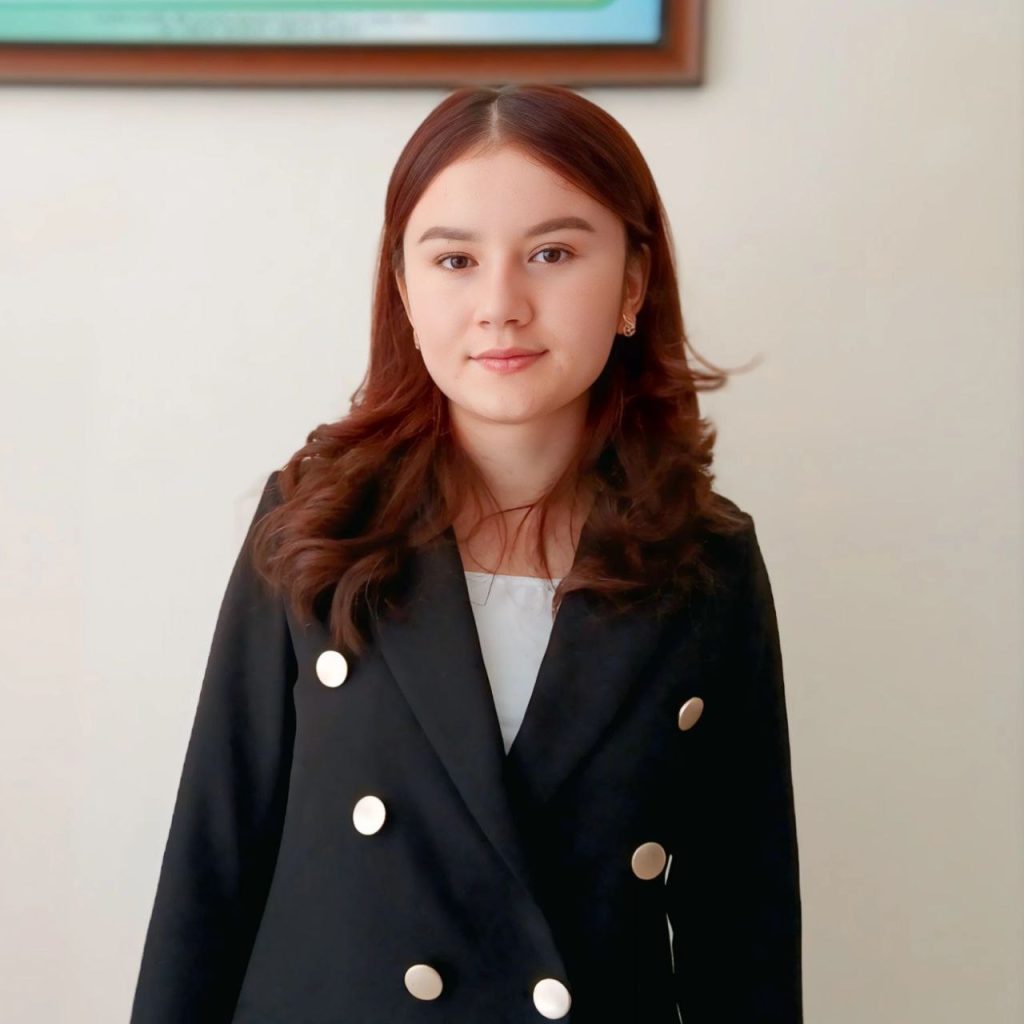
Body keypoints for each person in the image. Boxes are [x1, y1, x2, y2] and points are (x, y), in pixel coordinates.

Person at [129, 83, 803, 1023]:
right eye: (454, 259)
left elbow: (743, 925)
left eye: (552, 254)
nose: (500, 306)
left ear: (633, 284)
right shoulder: (317, 522)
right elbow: (211, 861)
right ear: (404, 289)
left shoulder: (707, 562)